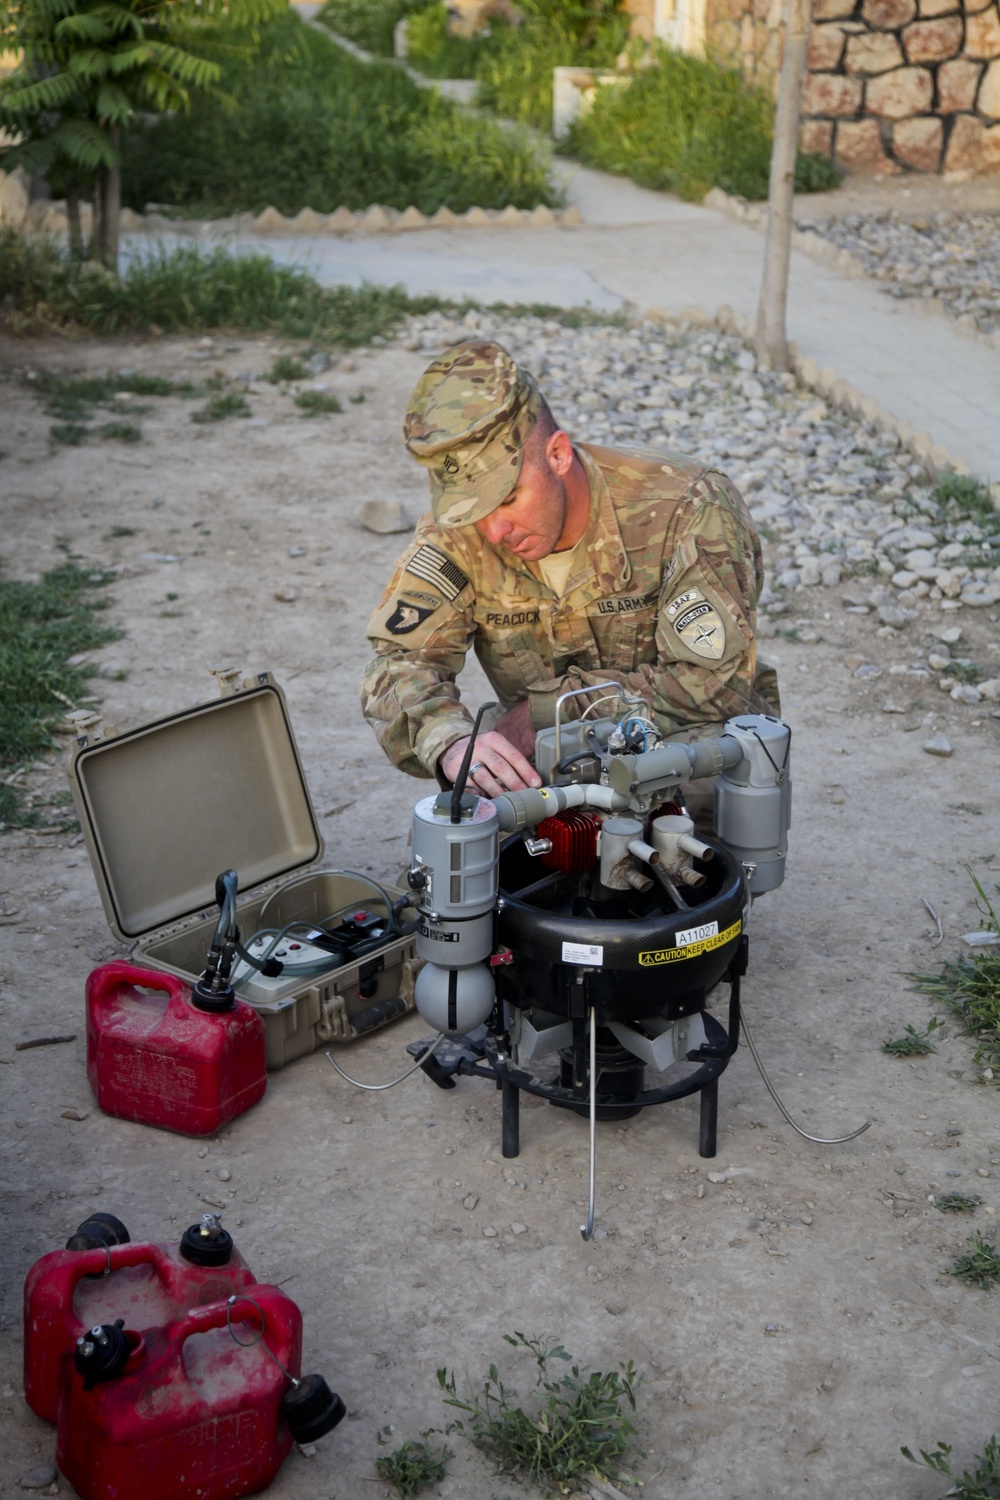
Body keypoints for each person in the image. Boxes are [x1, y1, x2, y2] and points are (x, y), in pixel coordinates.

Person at [361, 339, 779, 799]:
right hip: (547, 749)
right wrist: (451, 741)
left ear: (557, 455)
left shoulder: (687, 508)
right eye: (472, 510)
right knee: (459, 838)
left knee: (691, 789)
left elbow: (715, 684)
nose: (494, 530)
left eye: (507, 499)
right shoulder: (459, 534)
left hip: (682, 735)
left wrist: (548, 711)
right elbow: (399, 665)